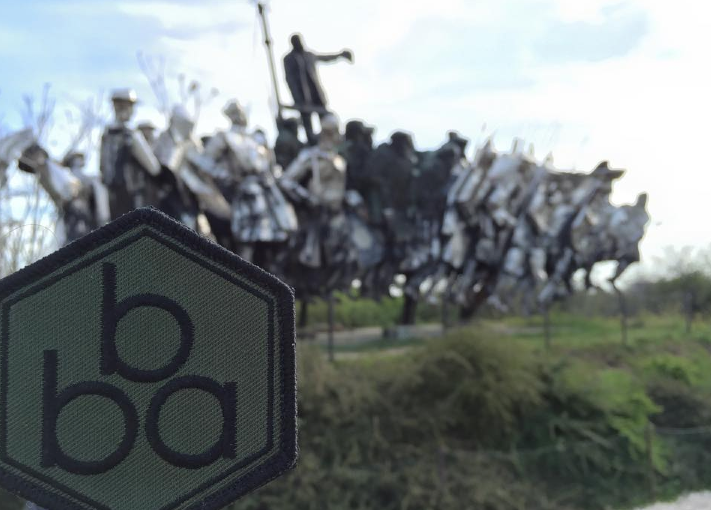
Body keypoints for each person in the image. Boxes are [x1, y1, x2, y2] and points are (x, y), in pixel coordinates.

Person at [99, 89, 161, 219]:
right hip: (133, 197)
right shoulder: (131, 134)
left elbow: (102, 168)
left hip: (112, 197)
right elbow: (154, 168)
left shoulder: (106, 135)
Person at [283, 33, 353, 145]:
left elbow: (326, 58)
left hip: (316, 94)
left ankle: (329, 140)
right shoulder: (289, 59)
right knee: (307, 123)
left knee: (326, 120)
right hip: (302, 97)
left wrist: (340, 55)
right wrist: (297, 97)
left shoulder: (309, 55)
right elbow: (289, 78)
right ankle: (312, 143)